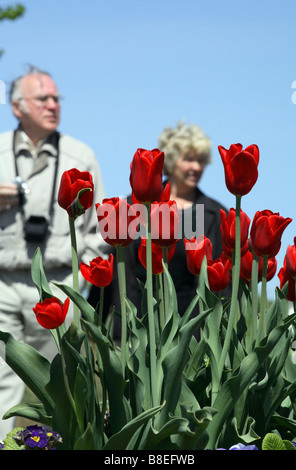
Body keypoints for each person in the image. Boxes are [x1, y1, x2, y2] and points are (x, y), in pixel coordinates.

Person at [0, 66, 105, 437]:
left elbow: (100, 226)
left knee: (60, 385)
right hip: (3, 282)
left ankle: (59, 443)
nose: (52, 104)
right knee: (1, 382)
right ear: (16, 106)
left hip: (60, 284)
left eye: (56, 98)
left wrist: (86, 272)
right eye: (42, 98)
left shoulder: (80, 154)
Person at [88, 121, 229, 337]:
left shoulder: (212, 214)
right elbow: (114, 264)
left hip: (190, 333)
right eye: (189, 159)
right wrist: (93, 317)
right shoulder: (132, 208)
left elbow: (222, 277)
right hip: (134, 327)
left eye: (201, 161)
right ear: (171, 161)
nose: (196, 167)